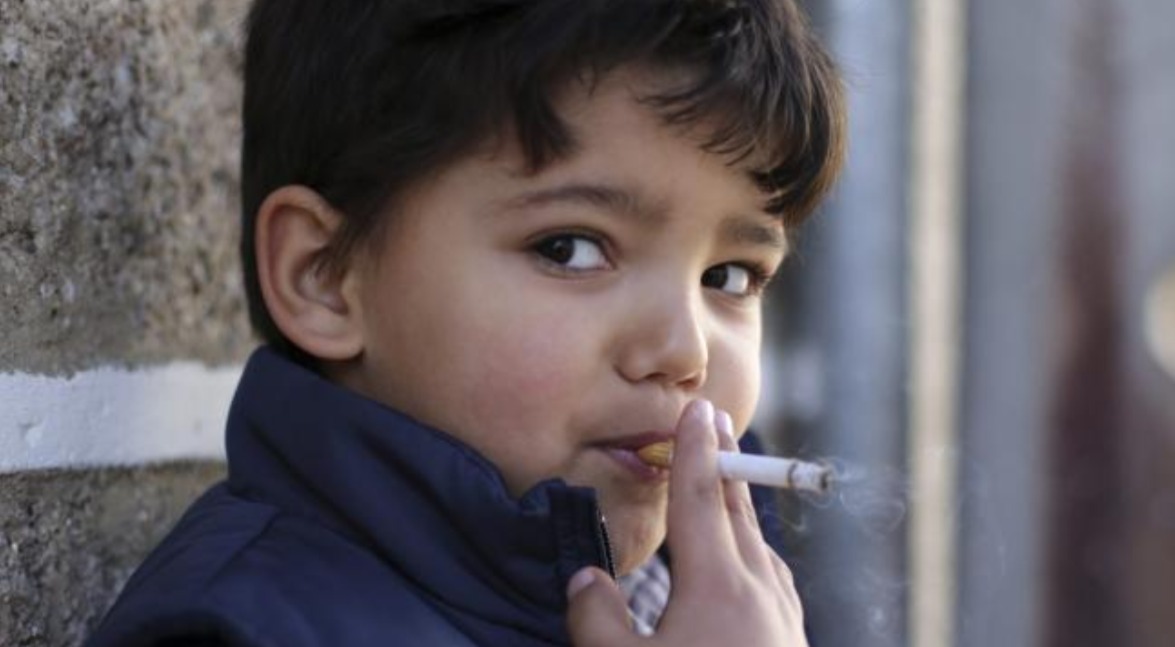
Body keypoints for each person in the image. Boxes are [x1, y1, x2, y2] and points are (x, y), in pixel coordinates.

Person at [87, 1, 845, 645]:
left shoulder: (713, 604)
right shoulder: (235, 629)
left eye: (729, 276)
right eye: (570, 248)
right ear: (323, 276)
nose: (682, 352)